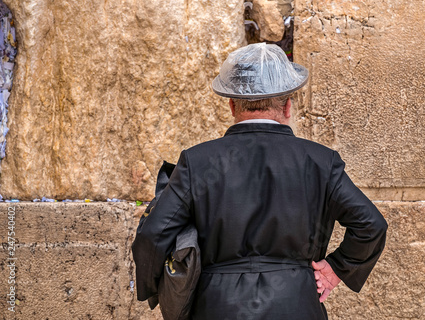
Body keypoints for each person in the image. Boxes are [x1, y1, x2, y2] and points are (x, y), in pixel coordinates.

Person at [132, 43, 388, 319]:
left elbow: (153, 236)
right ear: (288, 106)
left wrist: (160, 290)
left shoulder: (197, 161)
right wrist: (337, 268)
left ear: (232, 105)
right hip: (297, 305)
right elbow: (370, 225)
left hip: (216, 307)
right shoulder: (321, 161)